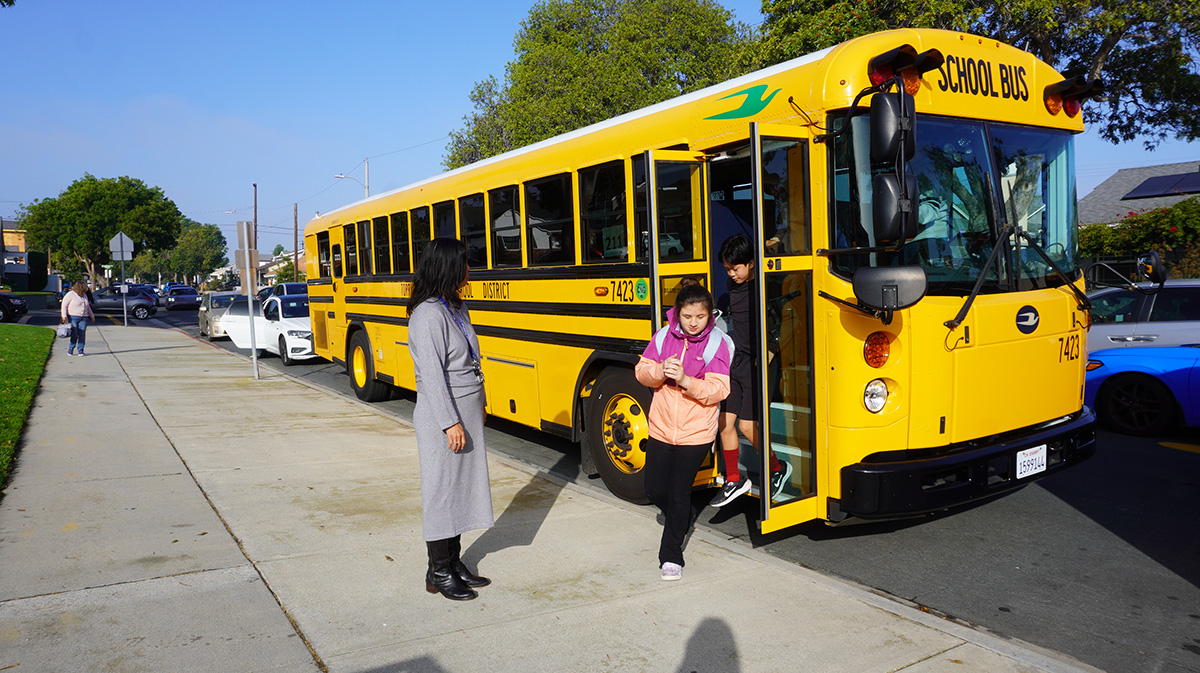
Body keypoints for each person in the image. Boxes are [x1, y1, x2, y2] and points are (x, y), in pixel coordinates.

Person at [406, 237, 494, 601]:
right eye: (464, 262)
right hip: (442, 416)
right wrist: (449, 422)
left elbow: (470, 360)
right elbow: (432, 374)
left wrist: (481, 404)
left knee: (461, 488)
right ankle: (437, 572)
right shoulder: (428, 314)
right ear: (448, 267)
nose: (469, 268)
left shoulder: (455, 307)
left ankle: (454, 562)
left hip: (466, 410)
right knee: (442, 491)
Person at [635, 281, 731, 581]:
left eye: (699, 317)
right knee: (654, 489)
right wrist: (659, 371)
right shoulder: (663, 336)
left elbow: (719, 389)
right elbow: (641, 372)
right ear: (678, 313)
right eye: (687, 316)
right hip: (661, 428)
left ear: (708, 315)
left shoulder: (716, 343)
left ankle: (671, 557)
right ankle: (684, 516)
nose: (693, 323)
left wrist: (687, 380)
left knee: (678, 492)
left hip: (696, 433)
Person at [709, 234, 792, 508]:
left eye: (736, 269)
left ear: (752, 264)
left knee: (746, 425)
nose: (731, 275)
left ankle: (777, 468)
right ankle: (734, 477)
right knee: (724, 424)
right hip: (738, 361)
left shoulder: (766, 287)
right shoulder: (733, 284)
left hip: (759, 363)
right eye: (728, 270)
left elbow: (788, 320)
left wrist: (771, 350)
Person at [60, 281, 95, 357]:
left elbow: (87, 307)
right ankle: (71, 348)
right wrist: (64, 315)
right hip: (73, 317)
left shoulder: (84, 295)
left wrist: (92, 316)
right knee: (74, 333)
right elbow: (64, 305)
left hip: (84, 317)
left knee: (82, 333)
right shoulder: (71, 294)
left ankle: (80, 350)